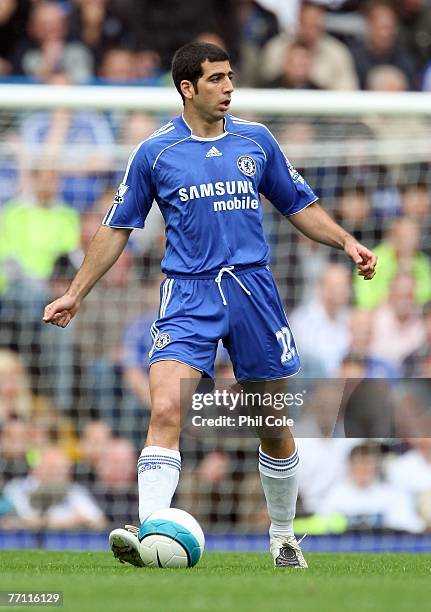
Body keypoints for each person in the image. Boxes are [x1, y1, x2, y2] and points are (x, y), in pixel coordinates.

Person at [43, 42, 377, 569]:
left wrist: (344, 242)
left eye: (230, 77)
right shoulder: (155, 153)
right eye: (216, 79)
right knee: (167, 406)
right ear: (187, 88)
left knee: (272, 420)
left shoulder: (257, 140)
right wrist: (75, 291)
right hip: (188, 292)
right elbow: (116, 228)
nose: (228, 87)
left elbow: (299, 205)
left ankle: (284, 536)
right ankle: (151, 528)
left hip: (252, 289)